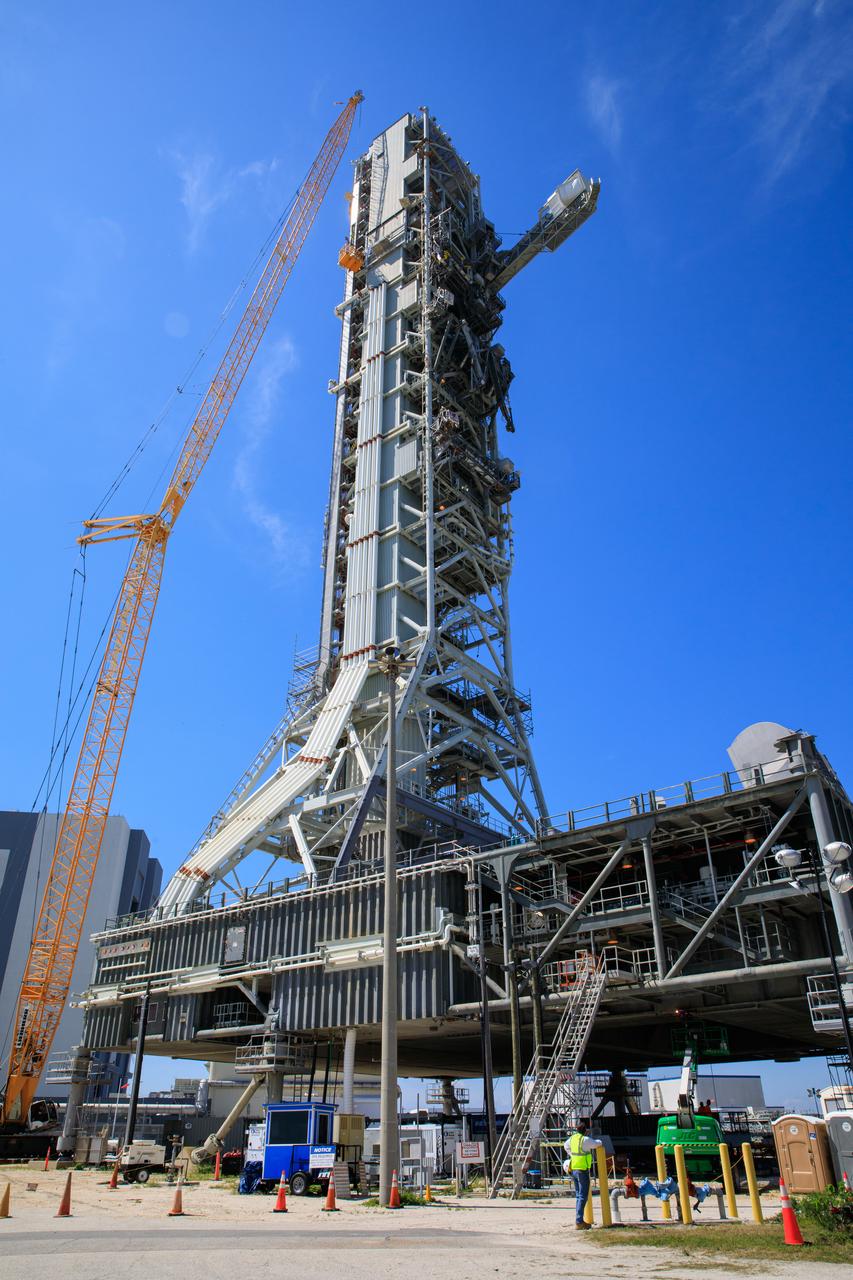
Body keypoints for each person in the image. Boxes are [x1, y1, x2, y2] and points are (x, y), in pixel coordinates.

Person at [564, 1118, 603, 1229]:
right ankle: (579, 1221)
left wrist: (572, 1154)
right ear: (585, 1131)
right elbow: (597, 1144)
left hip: (574, 1168)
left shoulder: (572, 1139)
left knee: (578, 1195)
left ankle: (579, 1219)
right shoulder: (585, 1140)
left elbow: (565, 1145)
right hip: (582, 1170)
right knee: (583, 1196)